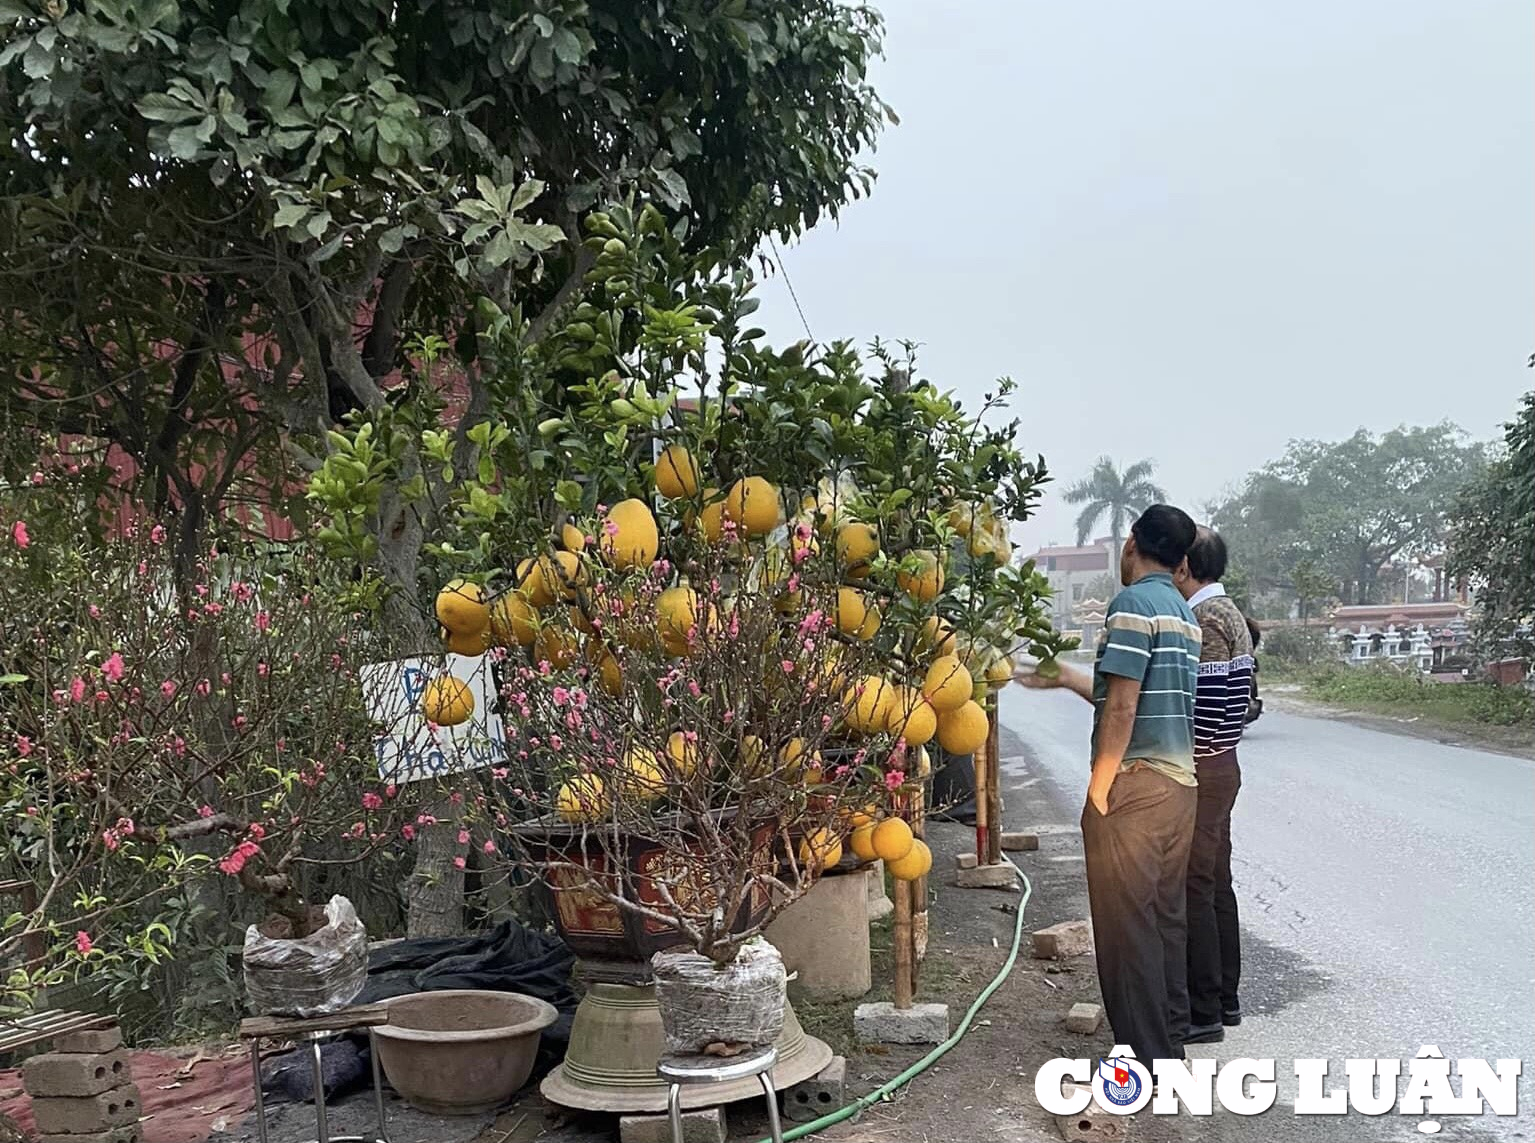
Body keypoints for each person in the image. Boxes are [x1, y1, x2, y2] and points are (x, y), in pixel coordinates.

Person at [1019, 505, 1201, 1063]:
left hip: (1135, 789)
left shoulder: (1130, 605)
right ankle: (1169, 1044)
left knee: (1126, 929)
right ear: (1182, 560)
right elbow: (1135, 695)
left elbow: (1122, 708)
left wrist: (1100, 786)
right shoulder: (1182, 614)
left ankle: (1144, 1059)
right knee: (1164, 919)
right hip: (1179, 791)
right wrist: (1067, 678)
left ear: (1130, 546)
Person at [1171, 527, 1254, 1045]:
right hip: (1224, 761)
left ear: (1183, 566)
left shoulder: (1204, 620)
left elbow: (1203, 706)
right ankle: (1224, 999)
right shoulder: (1232, 615)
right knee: (1215, 881)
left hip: (1205, 765)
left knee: (1195, 885)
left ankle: (1203, 1010)